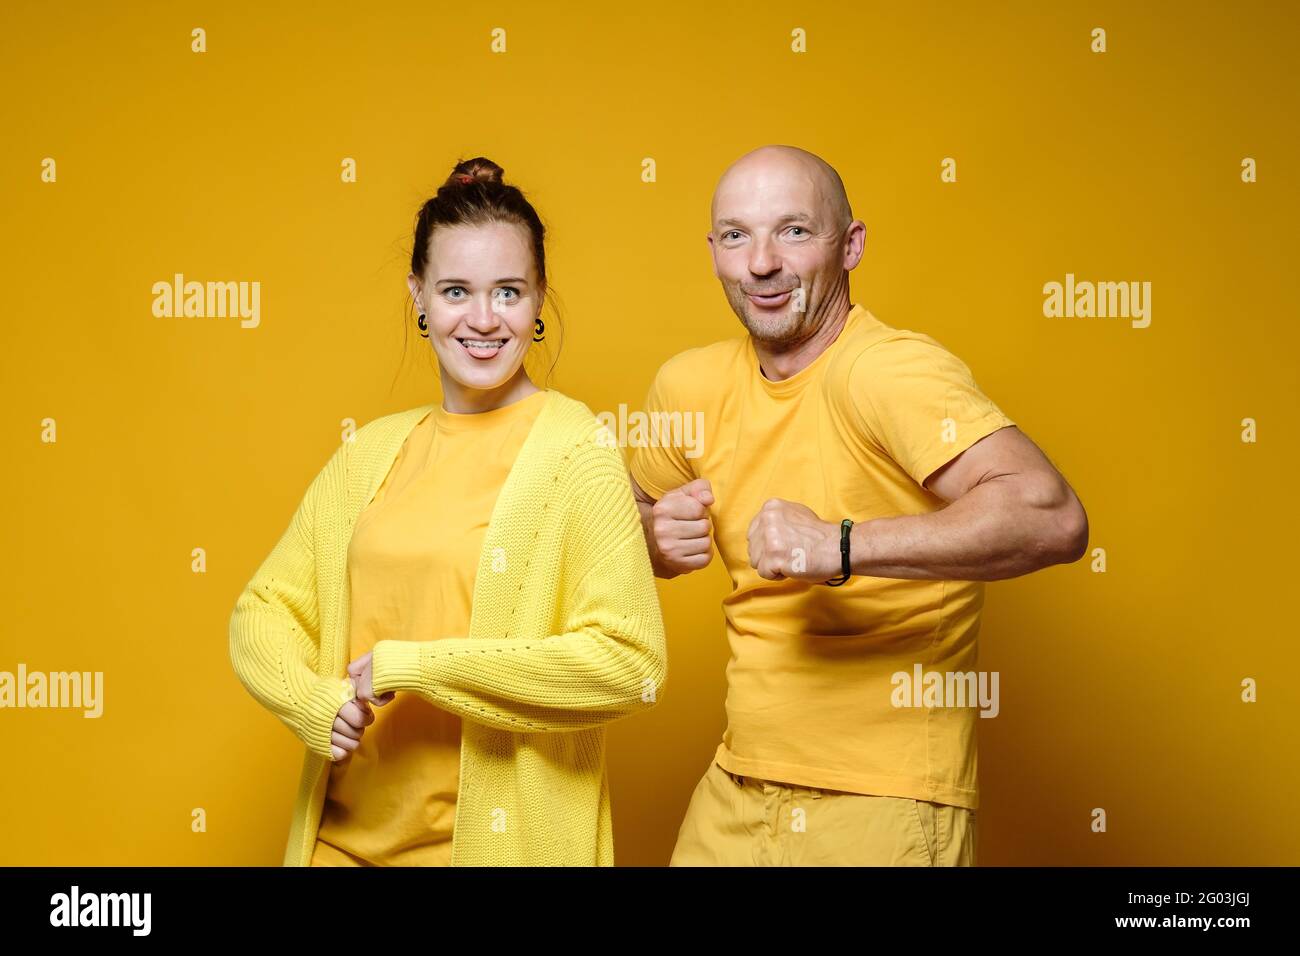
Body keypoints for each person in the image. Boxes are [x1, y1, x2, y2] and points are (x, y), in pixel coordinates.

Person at [629, 144, 1088, 866]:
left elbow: (1051, 516)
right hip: (737, 786)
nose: (762, 264)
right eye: (736, 235)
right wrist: (649, 538)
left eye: (795, 231)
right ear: (713, 251)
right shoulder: (688, 386)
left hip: (885, 802)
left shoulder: (889, 372)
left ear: (852, 245)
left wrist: (841, 546)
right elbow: (625, 519)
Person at [229, 157, 666, 867]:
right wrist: (310, 702)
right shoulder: (369, 454)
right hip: (338, 848)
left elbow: (629, 662)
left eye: (509, 292)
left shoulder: (575, 448)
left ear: (539, 300)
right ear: (419, 297)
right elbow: (264, 609)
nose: (484, 320)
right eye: (457, 290)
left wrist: (424, 667)